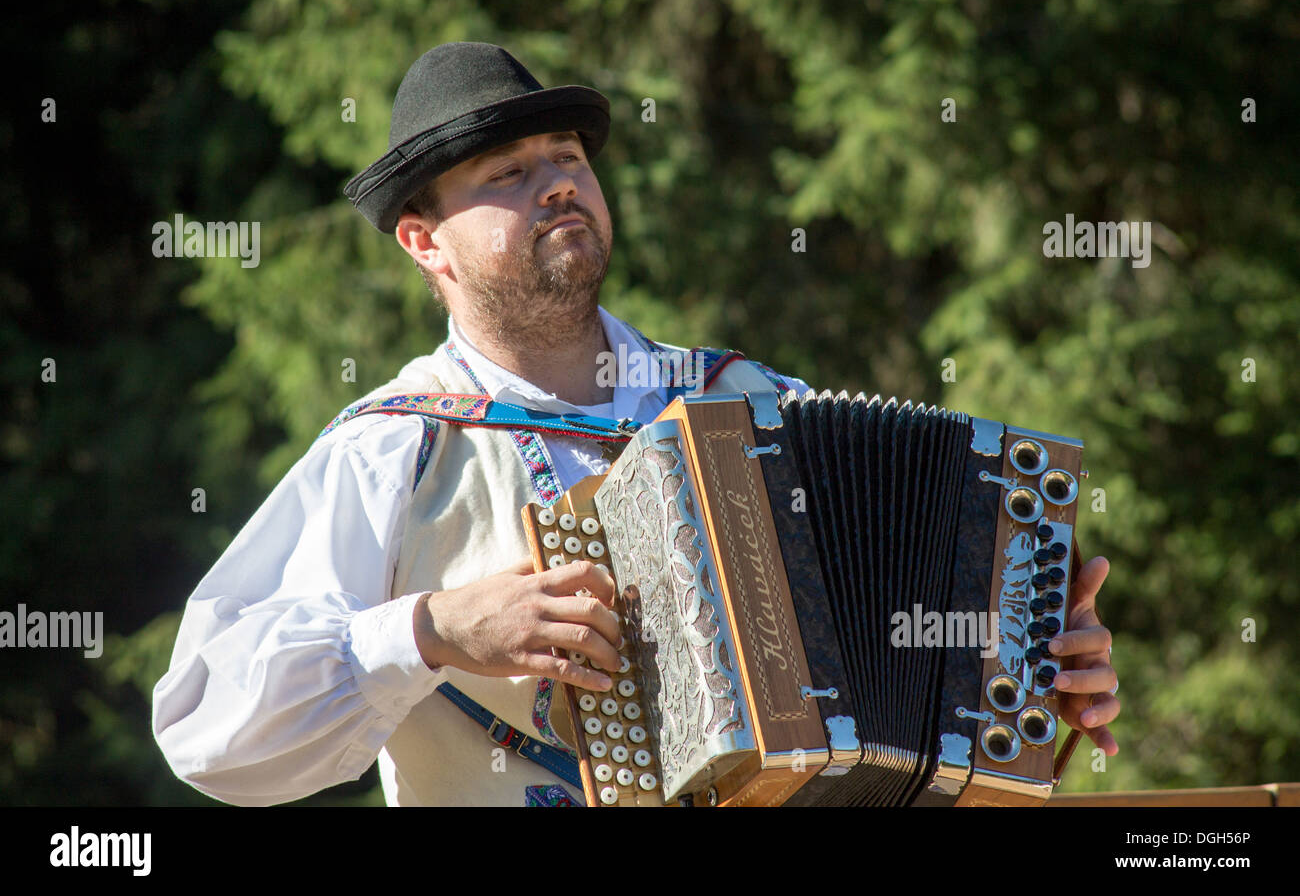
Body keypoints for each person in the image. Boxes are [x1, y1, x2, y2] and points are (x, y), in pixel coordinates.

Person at [152, 42, 1120, 807]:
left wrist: (1033, 675)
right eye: (509, 171)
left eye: (567, 158)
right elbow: (202, 720)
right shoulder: (397, 447)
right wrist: (432, 629)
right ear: (422, 240)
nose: (557, 183)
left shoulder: (749, 406)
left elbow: (912, 695)